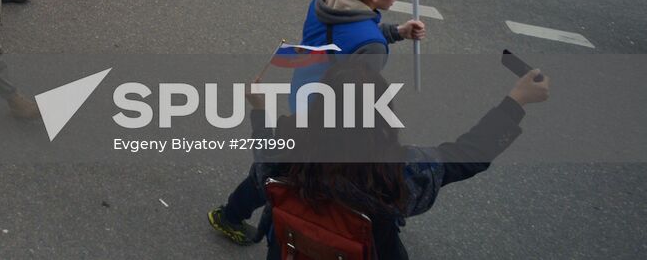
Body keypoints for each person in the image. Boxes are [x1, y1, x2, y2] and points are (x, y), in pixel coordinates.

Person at [213, 63, 549, 257]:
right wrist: (515, 102)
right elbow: (470, 154)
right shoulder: (399, 171)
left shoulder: (286, 148)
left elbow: (262, 153)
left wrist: (258, 108)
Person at [207, 0, 428, 246]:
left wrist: (396, 32)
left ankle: (233, 215)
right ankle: (235, 215)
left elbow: (347, 37)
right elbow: (359, 94)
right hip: (326, 116)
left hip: (304, 91)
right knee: (287, 170)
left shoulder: (325, 1)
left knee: (283, 164)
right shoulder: (372, 47)